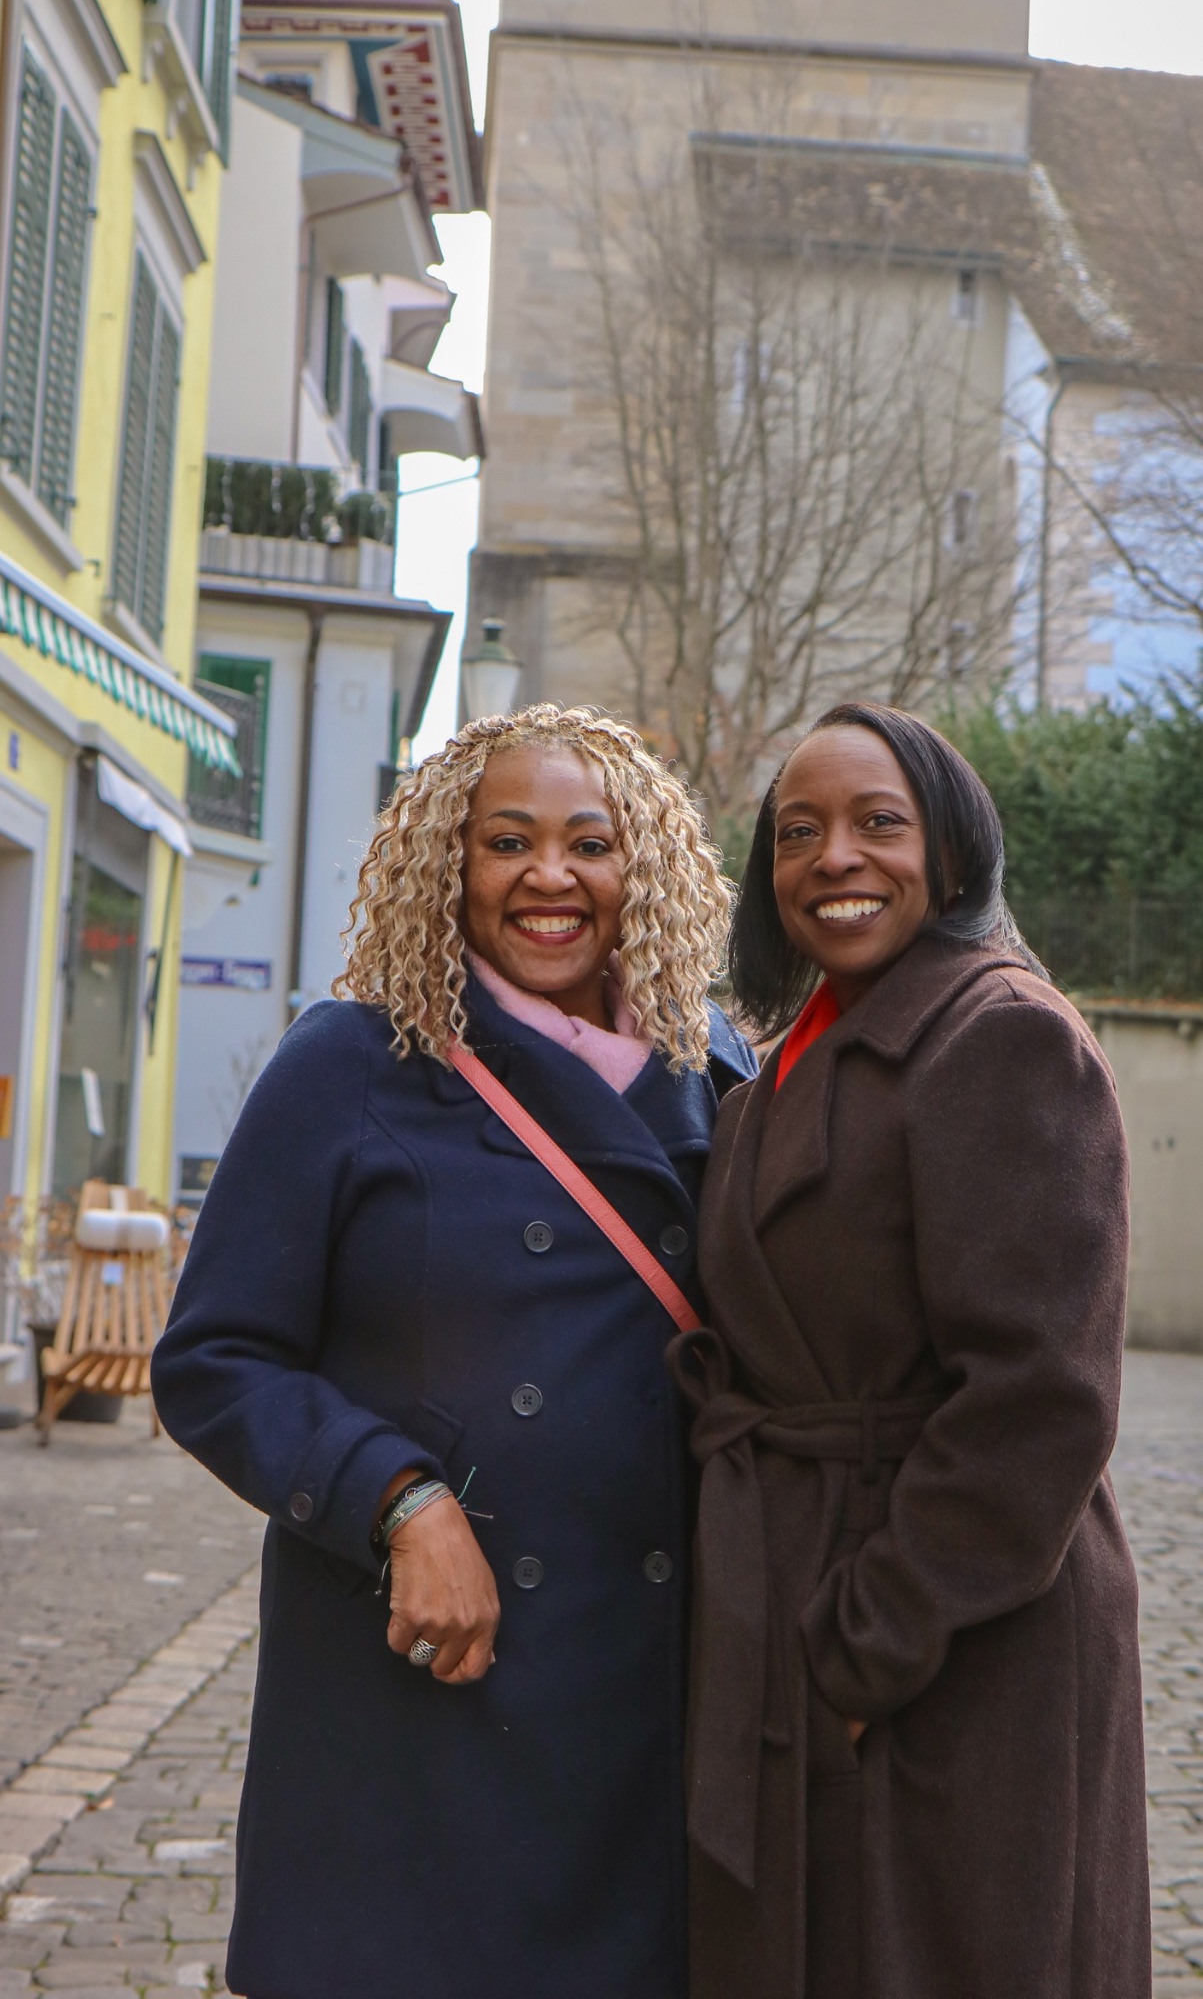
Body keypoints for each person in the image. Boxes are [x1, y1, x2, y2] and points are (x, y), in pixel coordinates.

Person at [151, 703, 755, 1999]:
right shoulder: (353, 1062)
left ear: (641, 866)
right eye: (508, 841)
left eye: (589, 843)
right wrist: (399, 1500)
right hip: (415, 1686)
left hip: (642, 1687)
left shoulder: (714, 1075)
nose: (551, 876)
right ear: (449, 863)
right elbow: (213, 1358)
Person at [674, 702, 1150, 1999]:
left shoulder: (1002, 1035)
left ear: (949, 853)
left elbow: (1039, 1403)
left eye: (878, 823)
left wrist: (860, 1649)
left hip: (955, 1641)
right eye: (798, 832)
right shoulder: (781, 1061)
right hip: (814, 1594)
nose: (834, 856)